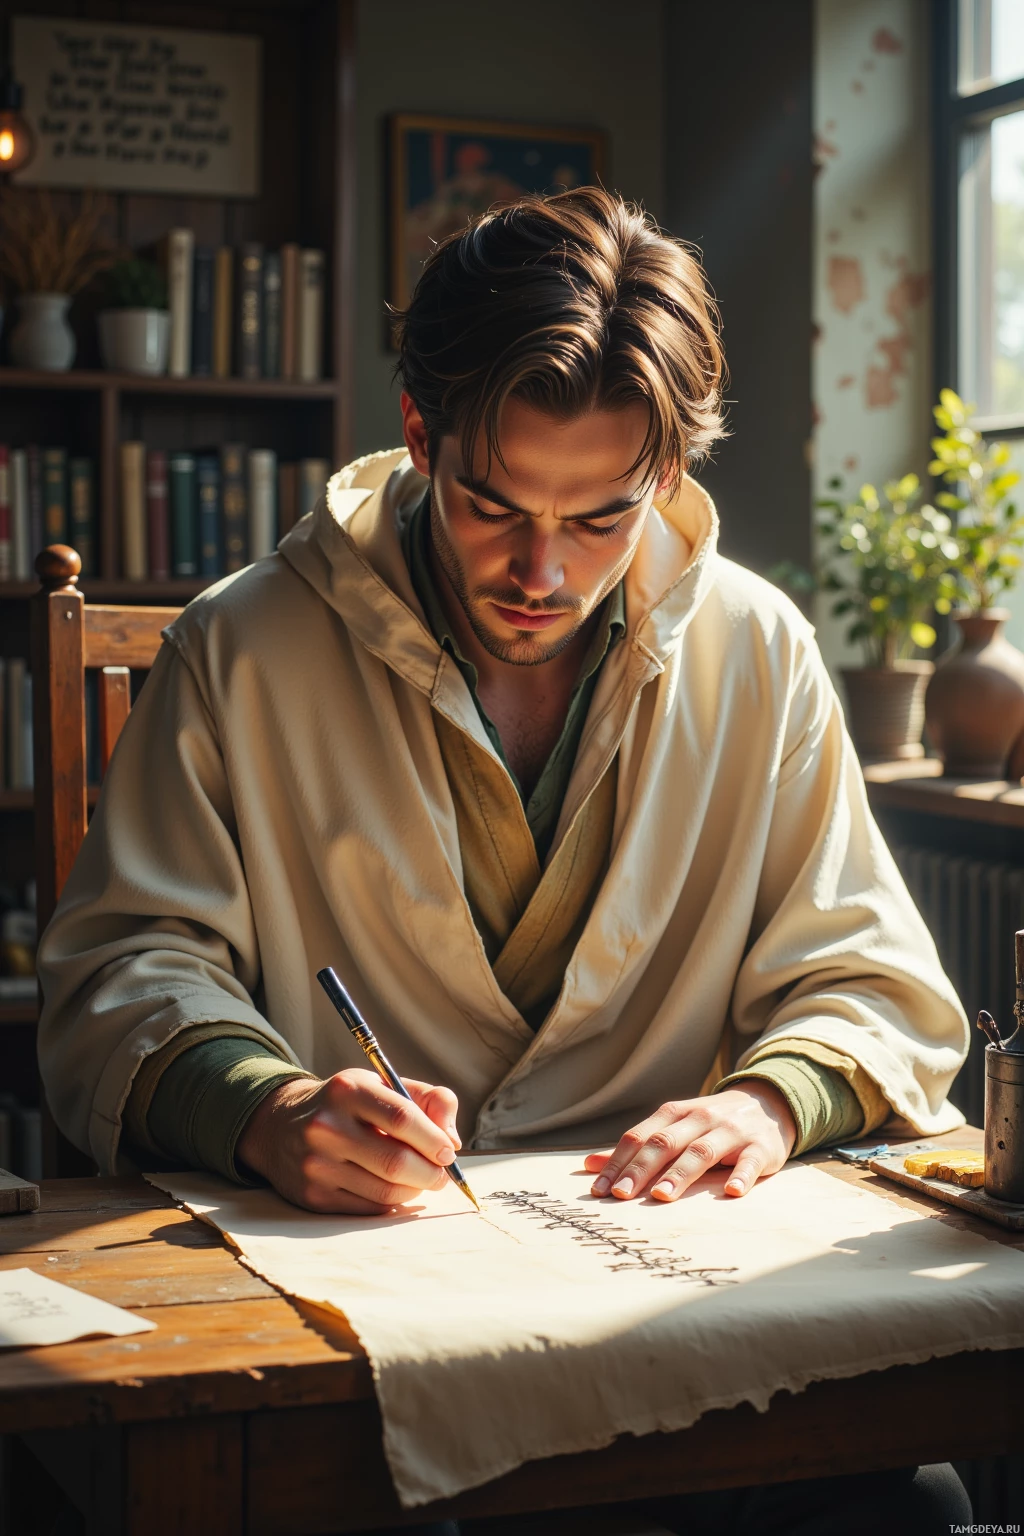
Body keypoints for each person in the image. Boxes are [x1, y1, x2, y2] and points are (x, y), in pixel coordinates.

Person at [37, 188, 971, 1532]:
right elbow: (124, 967)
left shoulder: (758, 653)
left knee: (914, 1510)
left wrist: (771, 1105)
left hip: (664, 1297)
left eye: (599, 519)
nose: (542, 573)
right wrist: (267, 1110)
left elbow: (870, 976)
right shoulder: (241, 648)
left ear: (665, 475)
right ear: (419, 435)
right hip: (350, 1307)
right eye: (492, 506)